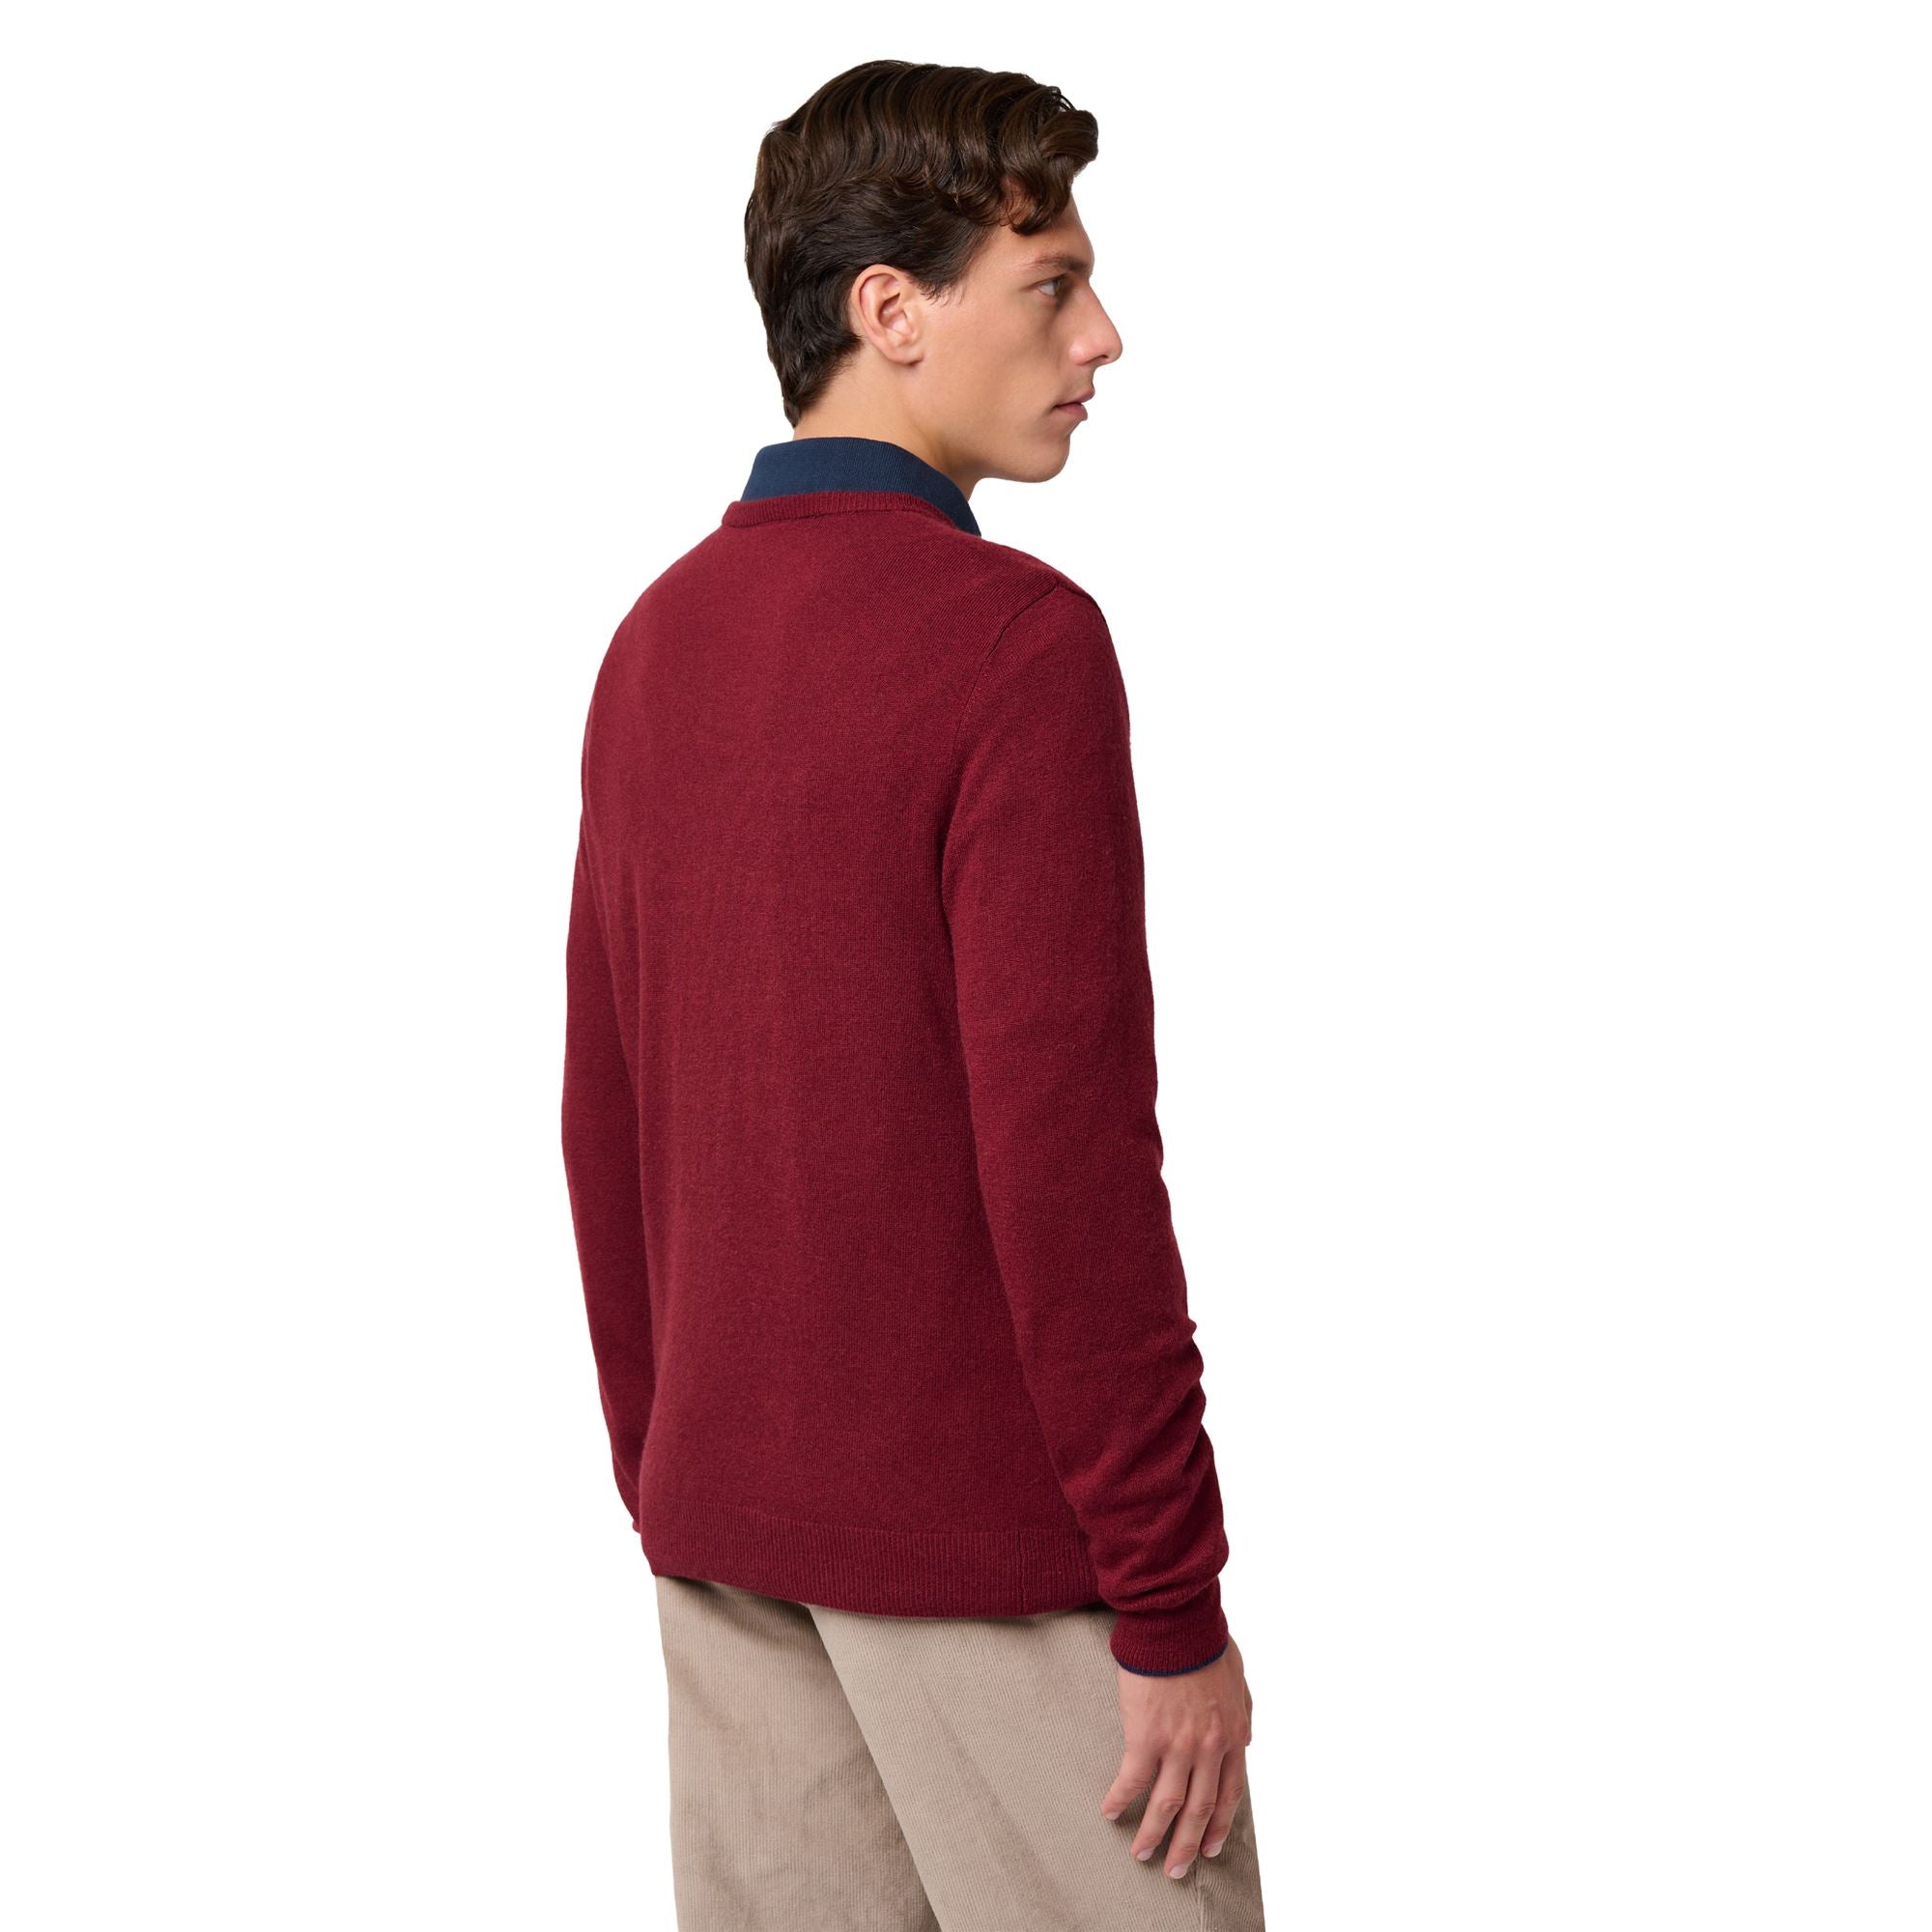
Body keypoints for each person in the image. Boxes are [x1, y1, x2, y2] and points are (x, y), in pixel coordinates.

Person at [561, 57, 1264, 1930]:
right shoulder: (1014, 646)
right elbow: (1070, 1166)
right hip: (997, 1567)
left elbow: (603, 1118)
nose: (1101, 336)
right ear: (891, 311)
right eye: (1052, 283)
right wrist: (1169, 1600)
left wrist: (669, 1476)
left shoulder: (658, 638)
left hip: (729, 1548)